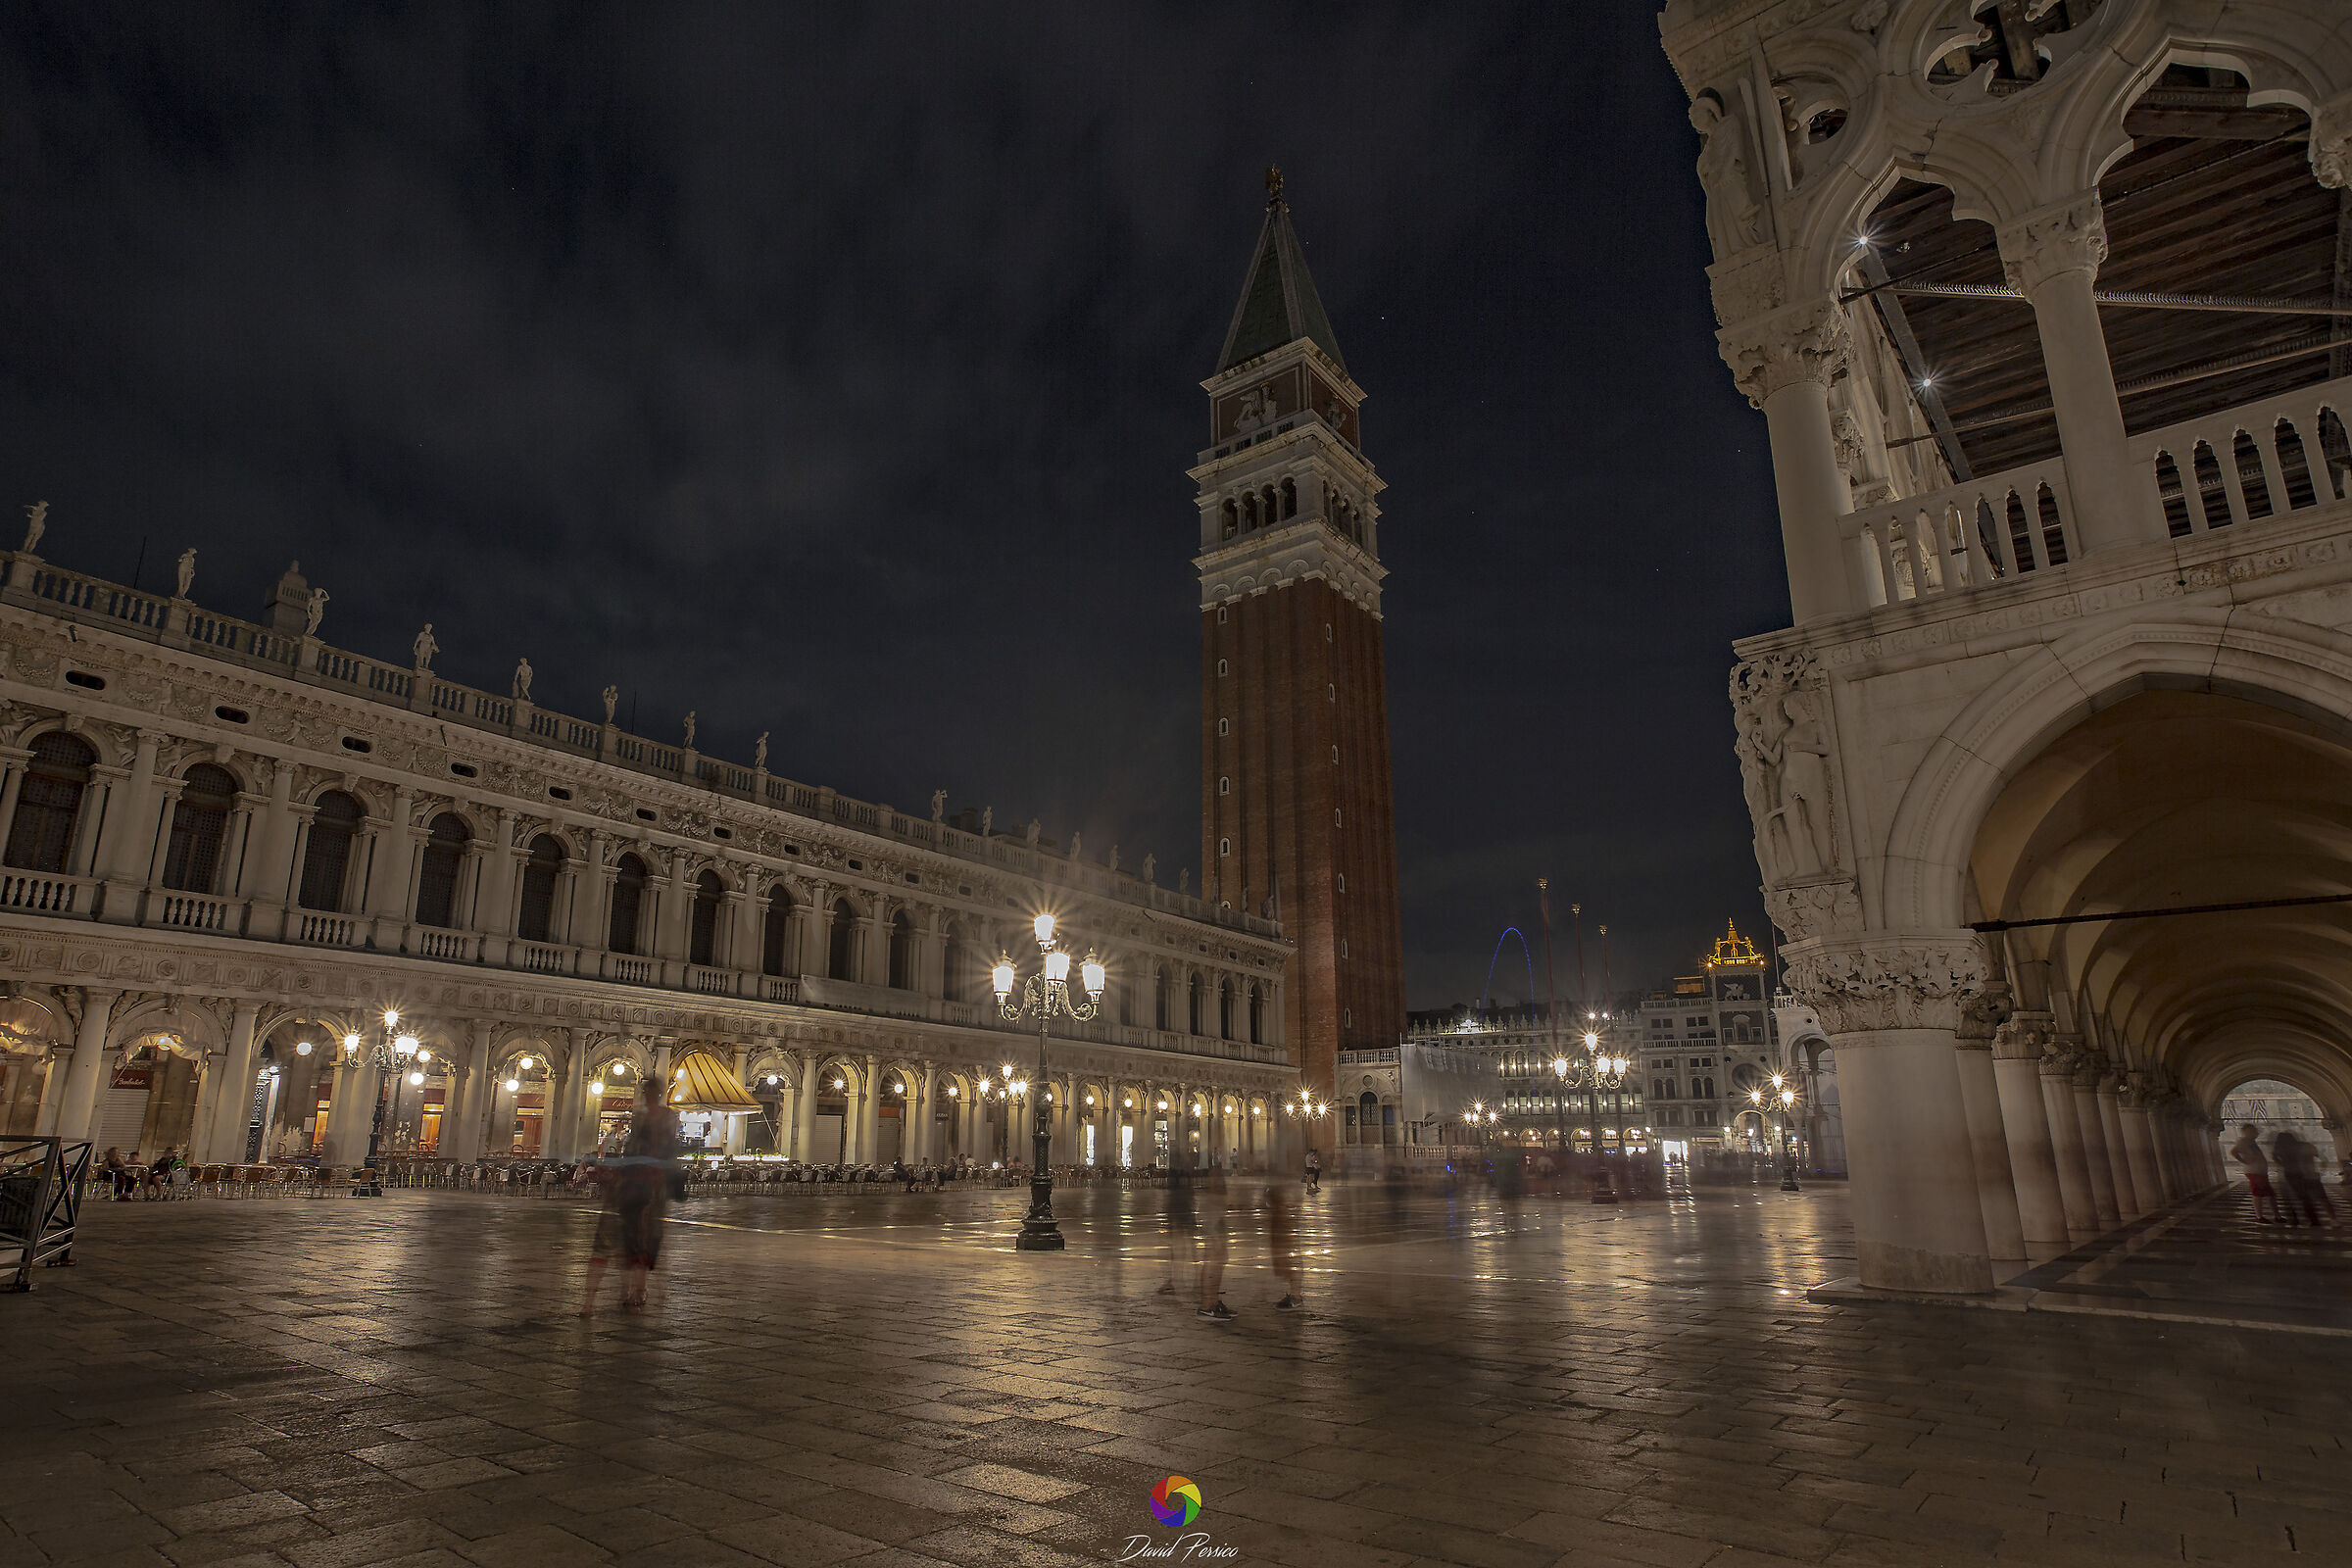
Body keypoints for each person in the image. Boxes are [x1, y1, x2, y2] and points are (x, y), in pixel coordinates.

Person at [581, 1102, 680, 1316]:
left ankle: (601, 1299)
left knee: (622, 1249)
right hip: (634, 1201)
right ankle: (628, 1292)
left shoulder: (641, 1145)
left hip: (630, 1200)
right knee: (632, 1248)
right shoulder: (654, 1147)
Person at [1196, 1165, 1234, 1322]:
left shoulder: (1216, 1195)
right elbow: (1208, 1217)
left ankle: (1213, 1300)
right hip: (1214, 1228)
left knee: (1218, 1263)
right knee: (1212, 1263)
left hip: (1218, 1226)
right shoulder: (1210, 1199)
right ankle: (1206, 1305)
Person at [2275, 1130, 2335, 1226]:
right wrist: (2321, 1171)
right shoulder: (2305, 1146)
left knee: (2305, 1198)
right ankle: (2331, 1219)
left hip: (2293, 1175)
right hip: (2309, 1175)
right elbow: (2323, 1158)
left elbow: (2277, 1159)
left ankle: (2312, 1219)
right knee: (2321, 1197)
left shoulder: (2282, 1149)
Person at [2230, 1124, 2283, 1224]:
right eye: (2252, 1131)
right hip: (2254, 1172)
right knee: (2260, 1193)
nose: (2255, 1133)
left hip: (2259, 1171)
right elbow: (2233, 1152)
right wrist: (2245, 1161)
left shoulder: (2251, 1142)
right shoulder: (2243, 1142)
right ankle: (2260, 1217)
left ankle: (2275, 1216)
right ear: (2246, 1132)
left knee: (2267, 1193)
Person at [1159, 1164, 1197, 1295]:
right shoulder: (1184, 1180)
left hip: (1179, 1213)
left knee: (1178, 1249)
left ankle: (1175, 1280)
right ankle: (1180, 1280)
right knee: (1185, 1248)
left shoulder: (1177, 1183)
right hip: (1183, 1212)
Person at [1265, 1181, 1302, 1311]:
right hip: (1282, 1198)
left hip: (1284, 1198)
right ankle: (1295, 1293)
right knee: (1286, 1246)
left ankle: (1295, 1295)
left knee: (1289, 1247)